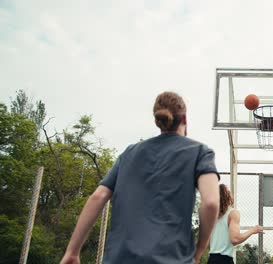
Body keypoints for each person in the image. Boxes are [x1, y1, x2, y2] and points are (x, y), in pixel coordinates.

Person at [60, 92, 220, 264]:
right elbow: (211, 202)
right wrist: (199, 250)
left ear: (158, 121)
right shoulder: (200, 152)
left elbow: (98, 197)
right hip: (172, 258)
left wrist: (72, 251)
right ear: (185, 119)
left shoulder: (129, 153)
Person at [207, 184, 263, 264]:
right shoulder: (232, 213)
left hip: (211, 259)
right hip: (224, 260)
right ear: (228, 196)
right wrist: (253, 230)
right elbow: (235, 239)